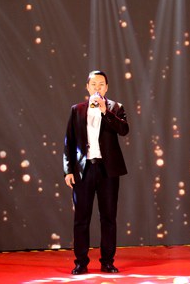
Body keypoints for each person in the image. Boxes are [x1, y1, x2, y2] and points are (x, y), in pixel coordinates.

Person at [63, 70, 129, 275]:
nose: (97, 87)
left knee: (108, 217)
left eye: (101, 84)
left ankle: (107, 262)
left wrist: (105, 111)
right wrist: (68, 170)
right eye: (93, 84)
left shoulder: (115, 108)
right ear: (87, 87)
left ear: (106, 87)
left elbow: (124, 130)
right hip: (84, 170)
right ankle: (81, 263)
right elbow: (69, 141)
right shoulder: (77, 110)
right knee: (81, 219)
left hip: (108, 170)